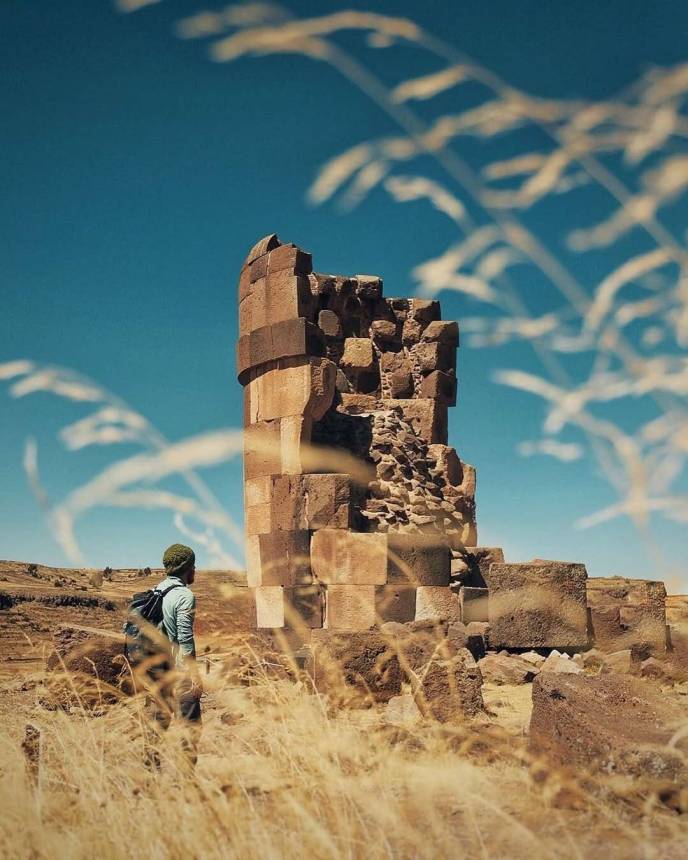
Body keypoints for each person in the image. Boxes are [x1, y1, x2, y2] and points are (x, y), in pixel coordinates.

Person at [144, 543, 203, 768]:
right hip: (179, 672)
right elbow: (185, 639)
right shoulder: (184, 596)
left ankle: (150, 774)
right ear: (187, 568)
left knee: (157, 725)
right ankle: (185, 779)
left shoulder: (156, 591)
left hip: (156, 670)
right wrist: (194, 675)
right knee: (191, 727)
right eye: (193, 565)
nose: (195, 570)